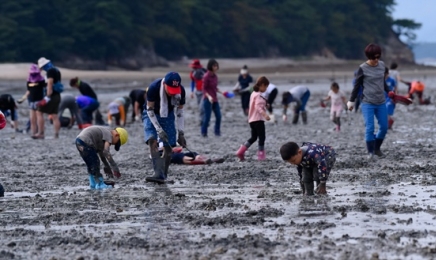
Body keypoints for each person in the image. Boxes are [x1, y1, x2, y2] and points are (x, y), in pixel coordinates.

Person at [347, 43, 392, 159]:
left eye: (378, 57)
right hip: (367, 102)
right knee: (370, 127)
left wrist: (389, 91)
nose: (376, 60)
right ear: (368, 56)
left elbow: (383, 82)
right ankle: (370, 152)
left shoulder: (382, 65)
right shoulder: (362, 68)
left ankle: (377, 148)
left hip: (381, 101)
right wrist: (351, 101)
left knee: (384, 127)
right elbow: (357, 86)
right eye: (373, 57)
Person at [143, 71, 187, 184]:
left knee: (169, 145)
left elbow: (180, 112)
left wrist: (181, 133)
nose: (173, 94)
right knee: (152, 139)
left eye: (174, 91)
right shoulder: (154, 87)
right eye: (170, 90)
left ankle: (164, 175)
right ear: (164, 85)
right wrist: (158, 129)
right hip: (151, 113)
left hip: (168, 113)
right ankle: (158, 173)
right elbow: (149, 110)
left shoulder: (181, 91)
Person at [236, 76, 271, 161]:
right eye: (266, 87)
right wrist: (265, 114)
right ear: (262, 85)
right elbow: (258, 107)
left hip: (251, 120)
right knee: (262, 137)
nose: (266, 89)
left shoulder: (253, 93)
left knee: (254, 137)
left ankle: (241, 151)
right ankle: (261, 155)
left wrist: (265, 105)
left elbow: (258, 104)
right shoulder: (258, 95)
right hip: (258, 120)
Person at [16, 64, 46, 136]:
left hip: (39, 100)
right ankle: (33, 132)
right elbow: (29, 90)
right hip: (31, 101)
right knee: (32, 119)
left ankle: (41, 132)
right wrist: (23, 98)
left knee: (39, 117)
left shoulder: (41, 80)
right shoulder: (29, 81)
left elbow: (45, 89)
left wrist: (45, 99)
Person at [37, 57, 62, 139]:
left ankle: (41, 133)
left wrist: (47, 97)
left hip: (51, 95)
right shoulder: (56, 70)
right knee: (55, 115)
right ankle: (56, 134)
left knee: (39, 111)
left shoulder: (50, 71)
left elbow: (50, 84)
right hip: (57, 95)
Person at [201, 59, 222, 137]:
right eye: (214, 66)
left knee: (219, 116)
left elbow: (215, 88)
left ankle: (217, 132)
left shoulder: (215, 76)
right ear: (210, 66)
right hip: (207, 100)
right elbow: (204, 89)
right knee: (207, 117)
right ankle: (204, 132)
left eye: (216, 66)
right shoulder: (206, 76)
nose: (216, 67)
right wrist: (209, 97)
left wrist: (222, 92)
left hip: (215, 100)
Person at [189, 59, 207, 124]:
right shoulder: (192, 73)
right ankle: (203, 120)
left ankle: (202, 120)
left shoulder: (204, 71)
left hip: (205, 92)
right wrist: (192, 91)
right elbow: (192, 82)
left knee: (201, 107)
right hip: (198, 92)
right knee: (200, 106)